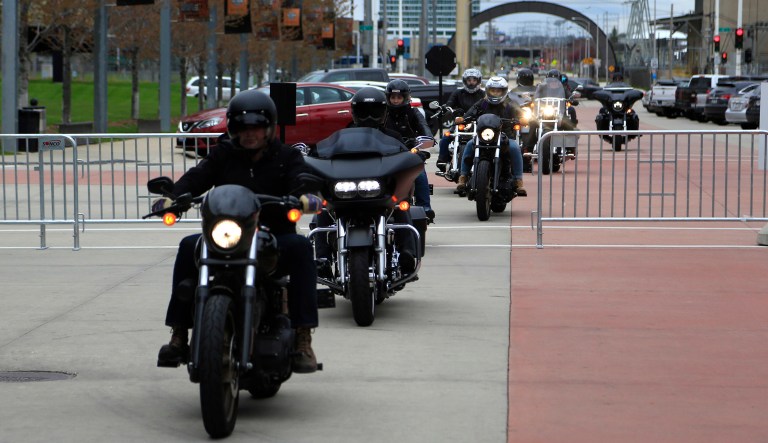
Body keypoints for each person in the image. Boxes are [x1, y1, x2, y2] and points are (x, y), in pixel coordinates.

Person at [154, 89, 320, 373]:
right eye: (243, 128)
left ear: (268, 128)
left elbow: (302, 180)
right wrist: (173, 198)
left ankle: (303, 336)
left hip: (273, 235)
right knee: (187, 246)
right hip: (228, 233)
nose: (250, 134)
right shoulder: (224, 154)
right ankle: (179, 334)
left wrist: (306, 196)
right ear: (233, 129)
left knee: (302, 248)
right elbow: (198, 177)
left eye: (256, 127)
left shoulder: (286, 155)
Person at [313, 87, 419, 276]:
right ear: (354, 113)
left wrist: (412, 156)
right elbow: (324, 151)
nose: (369, 117)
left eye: (375, 111)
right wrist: (313, 156)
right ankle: (322, 258)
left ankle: (407, 254)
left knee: (401, 205)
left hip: (380, 191)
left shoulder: (392, 138)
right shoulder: (342, 136)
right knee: (323, 209)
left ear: (383, 112)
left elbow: (405, 156)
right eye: (363, 112)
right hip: (345, 192)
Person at [455, 76, 527, 196]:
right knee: (468, 145)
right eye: (493, 90)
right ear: (488, 90)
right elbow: (472, 112)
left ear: (504, 91)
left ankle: (518, 180)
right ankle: (463, 176)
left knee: (514, 148)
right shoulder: (483, 103)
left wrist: (523, 118)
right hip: (484, 136)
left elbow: (520, 113)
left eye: (498, 91)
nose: (495, 93)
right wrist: (463, 119)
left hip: (505, 135)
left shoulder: (509, 103)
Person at [383, 79, 436, 221]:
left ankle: (425, 207)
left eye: (398, 97)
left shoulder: (413, 113)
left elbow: (425, 130)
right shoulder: (383, 114)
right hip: (386, 153)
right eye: (393, 97)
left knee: (419, 173)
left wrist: (425, 141)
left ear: (405, 98)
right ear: (388, 98)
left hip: (409, 152)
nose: (395, 100)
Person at [436, 68, 486, 169]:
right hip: (460, 122)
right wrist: (446, 109)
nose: (471, 83)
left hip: (478, 123)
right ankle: (442, 161)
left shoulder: (483, 94)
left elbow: (488, 106)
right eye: (469, 80)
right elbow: (450, 103)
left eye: (474, 80)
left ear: (478, 81)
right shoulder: (458, 93)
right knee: (445, 138)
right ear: (465, 81)